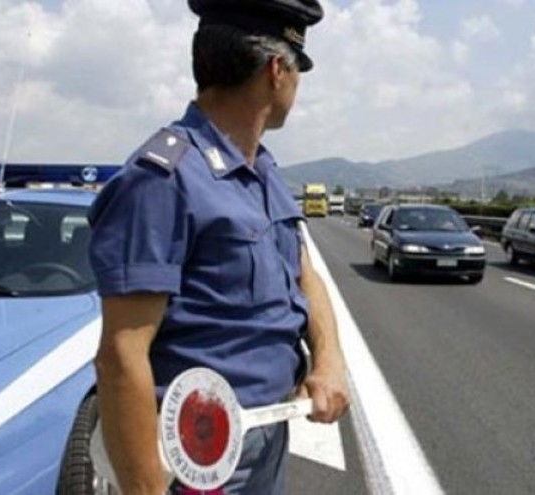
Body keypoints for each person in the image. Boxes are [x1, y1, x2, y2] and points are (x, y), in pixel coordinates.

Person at [87, 0, 350, 493]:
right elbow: (121, 355)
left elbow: (304, 274)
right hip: (197, 456)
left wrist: (329, 358)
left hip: (263, 435)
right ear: (276, 71)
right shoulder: (162, 179)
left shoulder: (262, 171)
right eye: (298, 69)